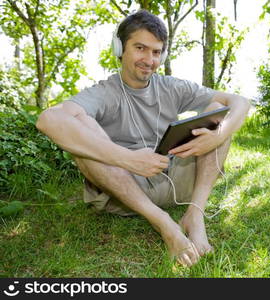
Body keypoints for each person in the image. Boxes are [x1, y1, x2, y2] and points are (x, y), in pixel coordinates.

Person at [36, 9, 250, 267]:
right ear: (120, 48)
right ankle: (164, 224)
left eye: (156, 52)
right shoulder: (104, 92)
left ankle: (195, 215)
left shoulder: (172, 86)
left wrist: (218, 136)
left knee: (218, 112)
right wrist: (128, 159)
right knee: (80, 126)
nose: (149, 59)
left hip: (177, 182)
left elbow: (240, 101)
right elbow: (48, 119)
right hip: (127, 191)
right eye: (140, 48)